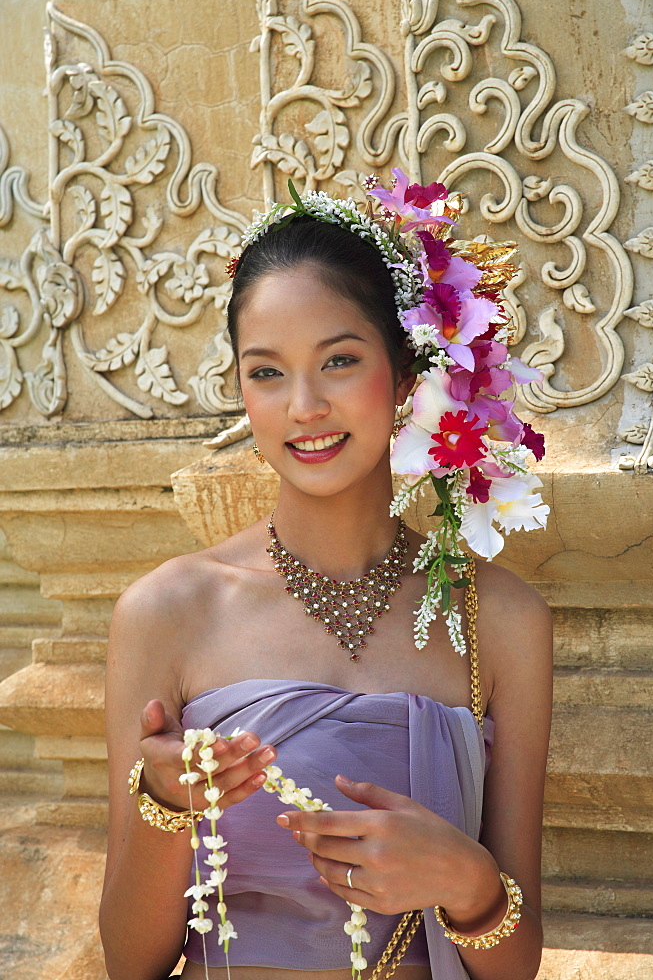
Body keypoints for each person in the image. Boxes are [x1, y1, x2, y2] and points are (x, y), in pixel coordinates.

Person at [99, 173, 553, 980]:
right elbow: (130, 962)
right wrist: (166, 808)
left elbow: (514, 965)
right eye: (267, 372)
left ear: (409, 376)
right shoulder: (167, 611)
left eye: (339, 360)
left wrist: (467, 881)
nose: (303, 405)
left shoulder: (503, 620)